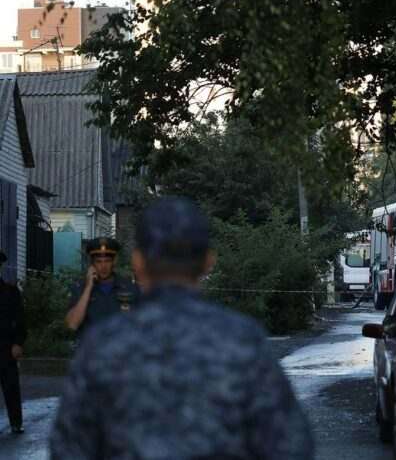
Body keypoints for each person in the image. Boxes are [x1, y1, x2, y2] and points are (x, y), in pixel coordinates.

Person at [50, 197, 314, 459]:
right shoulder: (242, 339)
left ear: (138, 262)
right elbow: (291, 446)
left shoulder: (101, 345)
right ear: (208, 261)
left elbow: (68, 449)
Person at [64, 237, 140, 336]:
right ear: (92, 264)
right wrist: (88, 288)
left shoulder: (129, 287)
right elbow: (72, 325)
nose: (103, 266)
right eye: (98, 261)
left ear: (114, 262)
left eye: (107, 261)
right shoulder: (80, 288)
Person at [0, 251, 25, 434]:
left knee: (10, 386)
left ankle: (16, 422)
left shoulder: (10, 291)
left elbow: (20, 319)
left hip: (5, 347)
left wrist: (18, 343)